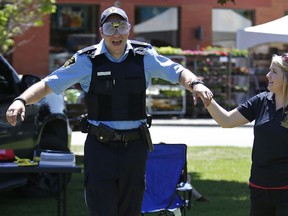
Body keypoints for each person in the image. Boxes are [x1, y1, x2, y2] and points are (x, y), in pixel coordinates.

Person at [6, 6, 213, 216]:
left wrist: (195, 83)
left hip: (135, 147)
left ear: (129, 29)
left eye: (121, 26)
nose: (116, 33)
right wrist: (21, 100)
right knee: (102, 209)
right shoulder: (87, 60)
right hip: (100, 148)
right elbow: (48, 84)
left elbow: (177, 71)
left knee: (130, 210)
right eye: (110, 27)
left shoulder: (145, 56)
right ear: (101, 31)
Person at [202, 53, 288, 216]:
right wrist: (206, 99)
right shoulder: (262, 100)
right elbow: (226, 121)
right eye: (269, 70)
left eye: (274, 72)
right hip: (259, 187)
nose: (267, 75)